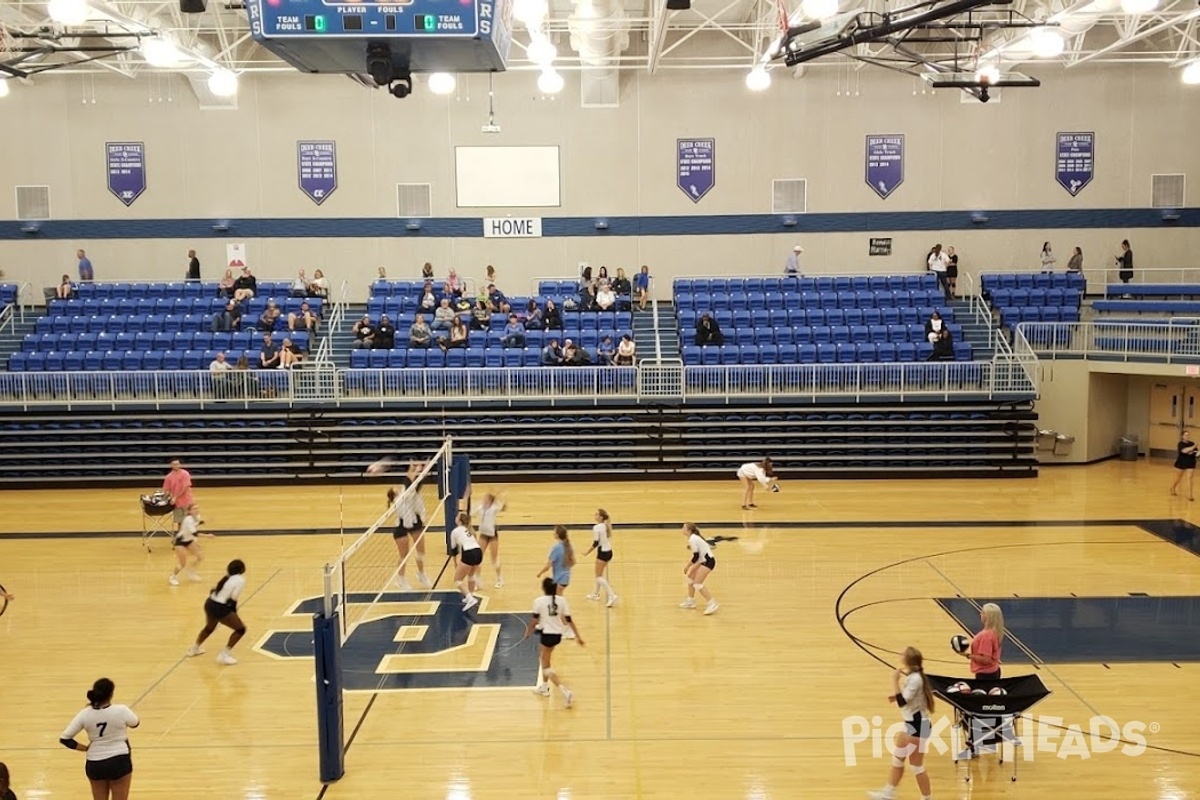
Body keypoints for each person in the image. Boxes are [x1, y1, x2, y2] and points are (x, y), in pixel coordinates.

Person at [866, 647, 936, 800]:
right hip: (911, 724)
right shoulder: (913, 677)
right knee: (897, 758)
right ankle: (889, 792)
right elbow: (908, 698)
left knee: (916, 766)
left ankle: (927, 798)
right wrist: (895, 695)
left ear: (908, 660)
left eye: (903, 654)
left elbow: (903, 703)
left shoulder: (915, 679)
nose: (900, 655)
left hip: (919, 727)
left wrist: (895, 682)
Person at [59, 677, 138, 800]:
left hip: (95, 762)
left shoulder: (84, 714)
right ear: (111, 694)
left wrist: (85, 748)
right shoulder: (121, 710)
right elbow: (135, 723)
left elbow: (65, 739)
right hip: (119, 760)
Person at [523, 577, 585, 708]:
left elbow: (535, 620)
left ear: (543, 588)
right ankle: (544, 687)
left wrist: (528, 631)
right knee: (544, 660)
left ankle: (564, 691)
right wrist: (578, 636)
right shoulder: (562, 601)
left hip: (546, 635)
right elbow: (568, 620)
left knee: (546, 668)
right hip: (557, 635)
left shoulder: (538, 601)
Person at [955, 602, 1005, 758]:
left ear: (989, 616)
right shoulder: (994, 632)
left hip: (985, 677)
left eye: (982, 612)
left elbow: (985, 659)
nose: (980, 614)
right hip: (992, 674)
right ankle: (988, 743)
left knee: (975, 710)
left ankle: (974, 747)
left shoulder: (986, 636)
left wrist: (967, 655)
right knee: (988, 709)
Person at [186, 559, 248, 665]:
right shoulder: (240, 580)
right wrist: (233, 612)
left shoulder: (227, 577)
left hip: (209, 603)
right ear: (242, 569)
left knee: (209, 628)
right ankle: (224, 655)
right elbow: (233, 598)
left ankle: (194, 649)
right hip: (220, 607)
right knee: (240, 629)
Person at [388, 469, 431, 591]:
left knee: (421, 551)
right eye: (394, 488)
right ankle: (400, 579)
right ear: (393, 494)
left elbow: (413, 485)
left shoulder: (406, 493)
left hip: (414, 522)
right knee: (404, 555)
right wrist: (414, 471)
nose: (396, 487)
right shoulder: (398, 500)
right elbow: (408, 485)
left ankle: (421, 574)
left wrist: (419, 470)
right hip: (402, 527)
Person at [168, 503, 213, 586]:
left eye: (197, 508)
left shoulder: (197, 517)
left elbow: (198, 523)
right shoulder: (188, 520)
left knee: (200, 557)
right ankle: (172, 577)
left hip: (189, 540)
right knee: (182, 563)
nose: (197, 510)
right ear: (189, 511)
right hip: (180, 541)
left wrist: (205, 521)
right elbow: (195, 533)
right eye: (194, 509)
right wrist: (207, 536)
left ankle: (191, 571)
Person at [679, 522, 719, 615]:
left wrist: (688, 566)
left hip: (708, 562)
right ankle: (690, 601)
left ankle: (712, 603)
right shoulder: (694, 538)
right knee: (690, 578)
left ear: (688, 530)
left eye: (683, 527)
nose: (682, 529)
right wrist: (691, 569)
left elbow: (696, 556)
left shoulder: (693, 539)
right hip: (703, 560)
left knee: (697, 583)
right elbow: (700, 557)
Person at [583, 508, 617, 607]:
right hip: (609, 551)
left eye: (597, 514)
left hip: (603, 553)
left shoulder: (597, 527)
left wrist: (587, 552)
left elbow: (596, 542)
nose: (595, 516)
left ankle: (612, 595)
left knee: (598, 576)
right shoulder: (606, 526)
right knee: (599, 574)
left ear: (601, 517)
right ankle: (595, 594)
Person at [450, 511, 484, 611]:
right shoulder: (469, 530)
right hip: (478, 552)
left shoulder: (455, 531)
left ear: (459, 521)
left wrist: (455, 563)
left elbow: (453, 550)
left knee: (457, 580)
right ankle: (471, 595)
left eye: (457, 516)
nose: (455, 517)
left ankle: (470, 598)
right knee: (471, 575)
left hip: (469, 553)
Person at [475, 492, 506, 588]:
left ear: (489, 501)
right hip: (483, 535)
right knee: (478, 558)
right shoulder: (480, 508)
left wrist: (502, 498)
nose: (483, 500)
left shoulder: (494, 508)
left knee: (494, 558)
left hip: (492, 535)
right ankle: (478, 580)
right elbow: (470, 513)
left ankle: (500, 578)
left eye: (485, 499)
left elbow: (504, 508)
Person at [162, 458, 194, 533]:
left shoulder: (185, 474)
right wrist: (164, 498)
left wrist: (175, 497)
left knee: (189, 518)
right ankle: (181, 535)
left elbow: (185, 487)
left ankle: (189, 535)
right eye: (174, 464)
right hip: (177, 503)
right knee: (180, 520)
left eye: (177, 464)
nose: (176, 466)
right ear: (171, 465)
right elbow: (167, 490)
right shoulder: (168, 477)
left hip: (186, 500)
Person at [1171, 429, 1198, 500]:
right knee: (1178, 478)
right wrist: (1192, 448)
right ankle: (1173, 487)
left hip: (1191, 462)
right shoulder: (1180, 444)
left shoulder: (1192, 443)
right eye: (1186, 435)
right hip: (1181, 462)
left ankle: (1190, 495)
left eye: (1188, 435)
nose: (1187, 436)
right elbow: (1184, 451)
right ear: (1182, 436)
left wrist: (1194, 452)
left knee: (1189, 478)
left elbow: (1196, 452)